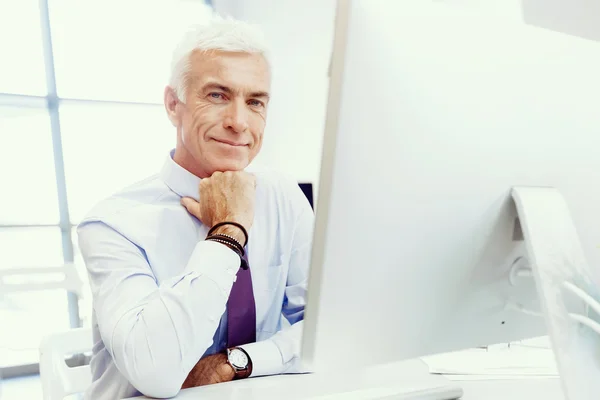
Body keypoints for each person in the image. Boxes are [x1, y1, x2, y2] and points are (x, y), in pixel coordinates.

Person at [77, 15, 314, 400]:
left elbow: (327, 331)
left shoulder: (283, 196)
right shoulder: (112, 224)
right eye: (218, 95)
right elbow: (155, 372)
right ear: (174, 104)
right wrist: (229, 230)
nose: (239, 122)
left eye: (255, 102)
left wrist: (238, 361)